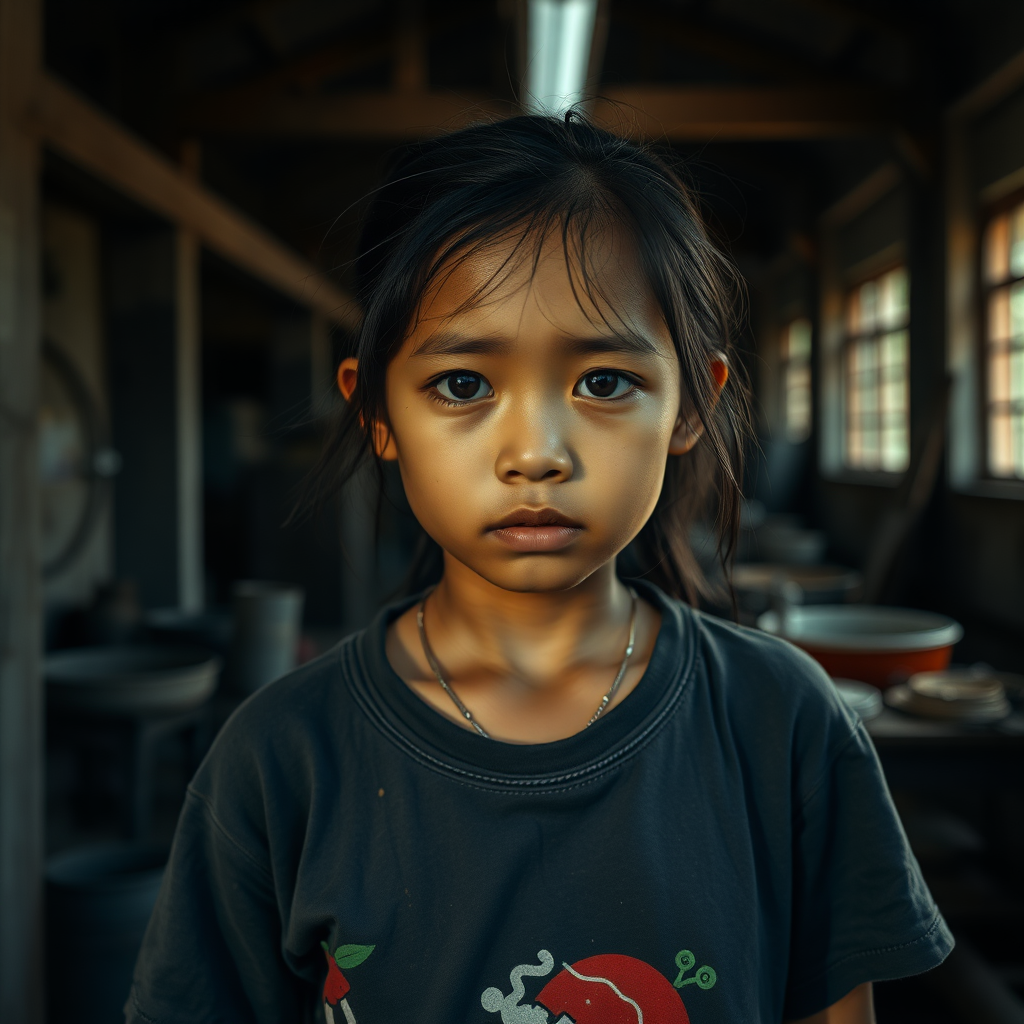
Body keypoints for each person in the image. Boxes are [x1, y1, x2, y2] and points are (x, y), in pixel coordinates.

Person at [127, 113, 951, 1024]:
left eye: (603, 382)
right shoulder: (282, 760)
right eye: (463, 385)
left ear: (689, 406)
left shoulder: (784, 723)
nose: (535, 454)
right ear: (378, 415)